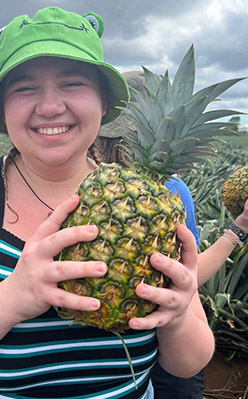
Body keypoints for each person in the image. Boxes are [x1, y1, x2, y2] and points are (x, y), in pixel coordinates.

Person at [0, 8, 215, 399]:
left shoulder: (153, 204)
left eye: (72, 83)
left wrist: (175, 319)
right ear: (3, 107)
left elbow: (188, 363)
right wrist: (14, 297)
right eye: (25, 88)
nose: (50, 107)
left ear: (104, 103)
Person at [96, 70, 248, 399]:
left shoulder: (92, 183)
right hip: (154, 343)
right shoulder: (172, 191)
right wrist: (239, 230)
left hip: (160, 342)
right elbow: (188, 274)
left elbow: (185, 275)